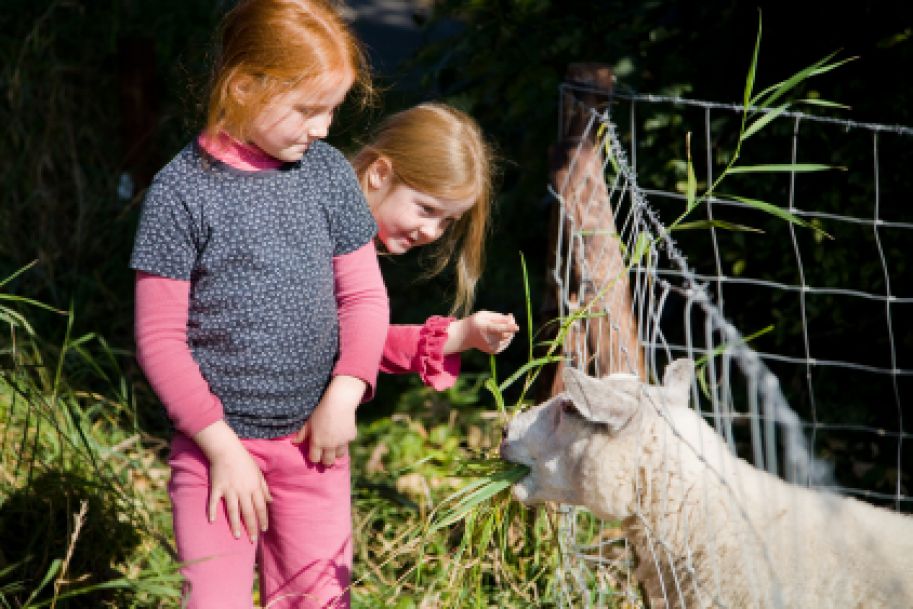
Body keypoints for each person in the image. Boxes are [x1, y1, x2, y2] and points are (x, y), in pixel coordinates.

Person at [131, 1, 390, 607]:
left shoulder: (327, 176)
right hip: (215, 453)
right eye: (307, 109)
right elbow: (160, 338)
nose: (323, 128)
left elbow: (364, 295)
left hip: (315, 449)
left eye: (331, 110)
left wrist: (345, 392)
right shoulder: (180, 191)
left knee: (319, 599)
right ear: (244, 87)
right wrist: (221, 447)